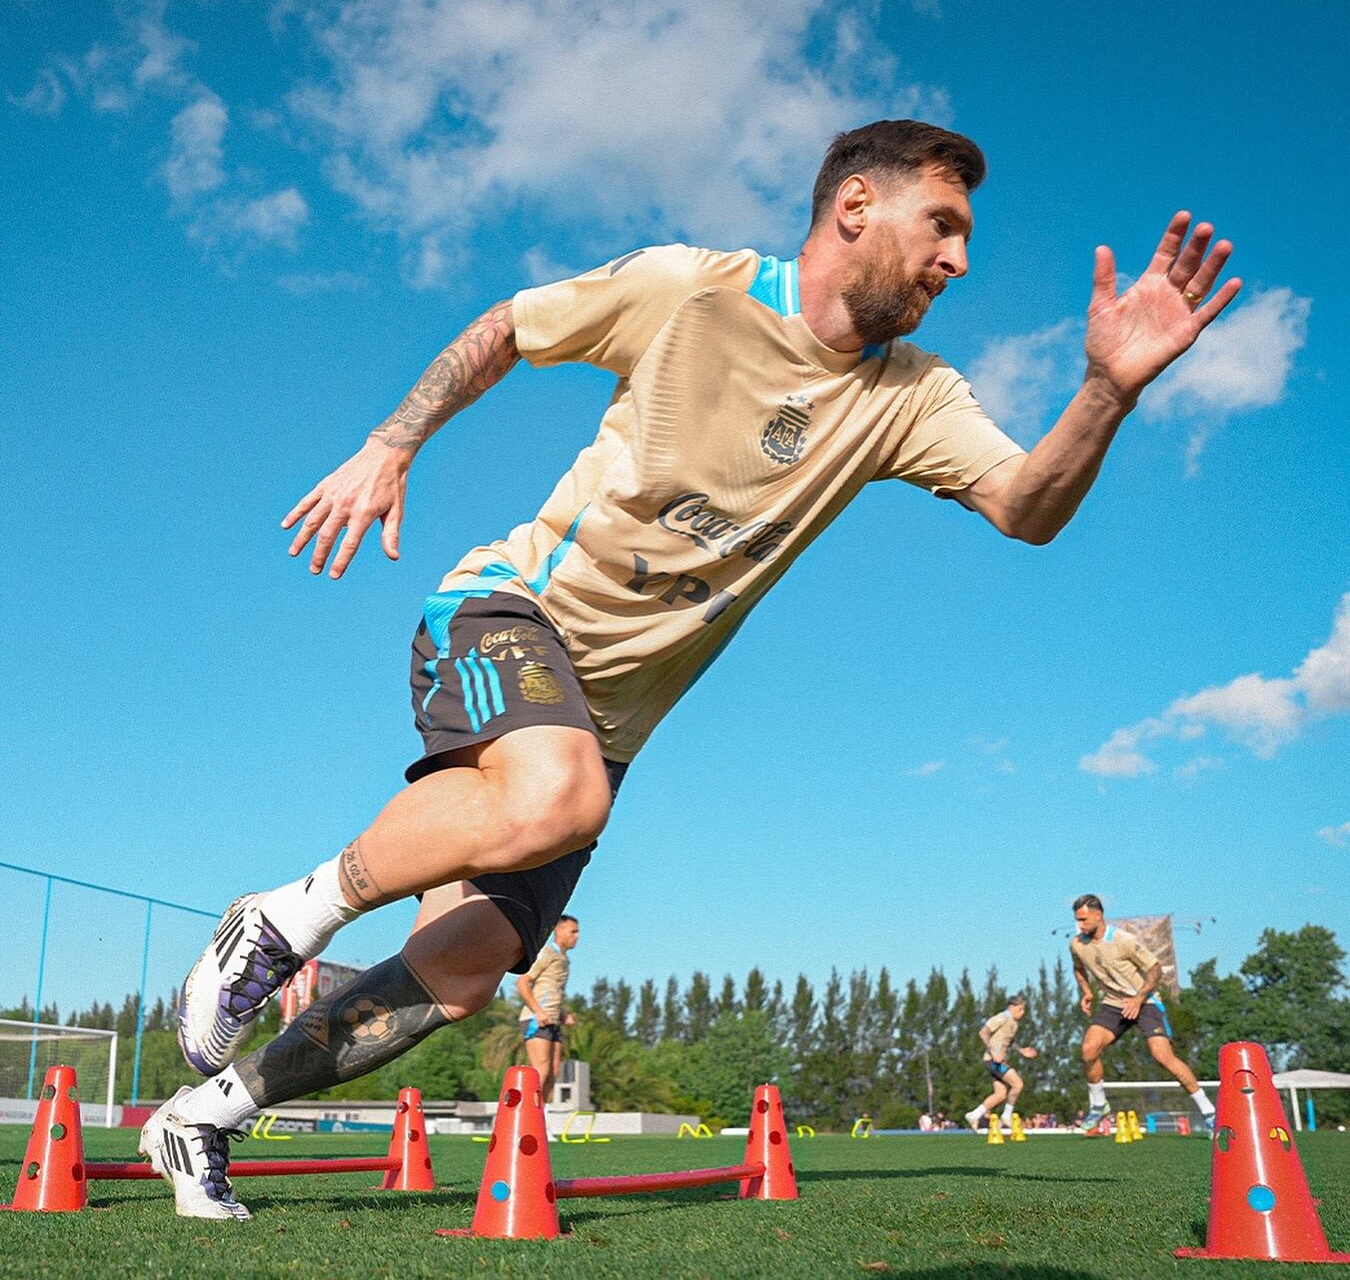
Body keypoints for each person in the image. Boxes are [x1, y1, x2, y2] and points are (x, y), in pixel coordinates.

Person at [136, 118, 1240, 1218]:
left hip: (600, 727)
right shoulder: (690, 289)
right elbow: (512, 328)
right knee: (557, 795)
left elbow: (1024, 509)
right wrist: (392, 441)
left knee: (466, 970)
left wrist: (1107, 392)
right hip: (507, 611)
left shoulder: (913, 395)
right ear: (856, 206)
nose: (960, 261)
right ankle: (281, 922)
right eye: (943, 226)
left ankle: (206, 1118)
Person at [1069, 894, 1216, 1132]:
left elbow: (1155, 969)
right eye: (1077, 920)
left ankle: (1210, 1112)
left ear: (1098, 915)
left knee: (1162, 1056)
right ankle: (1098, 1104)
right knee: (1088, 1050)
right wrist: (1087, 992)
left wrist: (1138, 998)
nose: (1080, 925)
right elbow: (1078, 969)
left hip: (1145, 1000)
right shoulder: (1077, 944)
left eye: (1084, 920)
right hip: (1113, 1004)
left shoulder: (1122, 940)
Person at [516, 914, 579, 1102]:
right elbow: (523, 982)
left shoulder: (563, 959)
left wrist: (562, 1015)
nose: (577, 936)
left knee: (553, 1072)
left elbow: (550, 992)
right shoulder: (547, 953)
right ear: (558, 931)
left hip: (552, 1021)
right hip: (535, 1020)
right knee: (540, 1070)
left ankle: (542, 1122)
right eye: (573, 931)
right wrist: (539, 1011)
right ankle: (525, 1120)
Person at [963, 994, 1038, 1132]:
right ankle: (1006, 1115)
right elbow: (983, 1032)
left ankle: (974, 1115)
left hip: (997, 1061)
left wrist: (1022, 1051)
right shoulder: (1002, 1017)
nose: (1023, 1013)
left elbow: (1009, 1041)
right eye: (1021, 1009)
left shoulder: (1014, 1024)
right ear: (1013, 1007)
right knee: (1018, 1084)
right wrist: (993, 1052)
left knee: (1000, 1095)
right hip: (993, 1061)